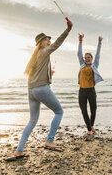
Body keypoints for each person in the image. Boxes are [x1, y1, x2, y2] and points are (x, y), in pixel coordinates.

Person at [6, 20, 73, 161]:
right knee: (59, 112)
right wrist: (67, 30)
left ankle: (19, 151)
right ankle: (49, 141)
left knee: (32, 120)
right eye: (46, 39)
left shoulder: (35, 56)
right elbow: (58, 44)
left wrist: (49, 75)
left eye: (49, 39)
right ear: (41, 43)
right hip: (41, 90)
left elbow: (36, 75)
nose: (49, 41)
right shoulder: (44, 51)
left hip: (31, 91)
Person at [77, 33, 103, 136]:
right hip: (82, 91)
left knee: (93, 110)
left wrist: (99, 43)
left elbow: (98, 55)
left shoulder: (94, 65)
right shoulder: (82, 65)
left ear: (91, 59)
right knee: (83, 110)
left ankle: (91, 126)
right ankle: (89, 129)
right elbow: (78, 53)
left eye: (88, 57)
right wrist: (80, 41)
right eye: (85, 57)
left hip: (91, 90)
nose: (87, 58)